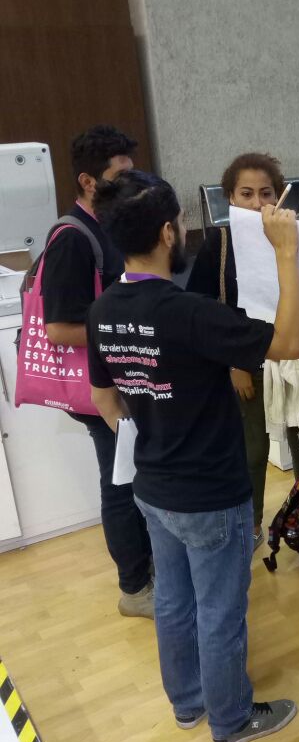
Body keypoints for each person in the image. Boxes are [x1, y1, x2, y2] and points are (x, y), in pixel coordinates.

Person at [87, 170, 299, 742]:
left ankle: (188, 705)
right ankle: (231, 720)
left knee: (172, 601)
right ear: (167, 232)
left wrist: (151, 433)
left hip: (152, 488)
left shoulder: (102, 309)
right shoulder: (188, 312)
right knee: (220, 611)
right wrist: (286, 253)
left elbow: (104, 399)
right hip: (209, 492)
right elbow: (290, 343)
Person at [41, 124, 154, 619]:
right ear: (88, 181)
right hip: (101, 387)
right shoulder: (72, 238)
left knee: (136, 480)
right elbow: (58, 329)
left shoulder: (109, 226)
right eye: (118, 176)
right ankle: (135, 588)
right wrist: (125, 329)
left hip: (123, 377)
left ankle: (148, 571)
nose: (128, 183)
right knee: (121, 485)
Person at [187, 153, 299, 549]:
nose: (258, 202)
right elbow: (200, 313)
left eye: (266, 193)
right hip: (246, 364)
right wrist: (233, 364)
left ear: (279, 196)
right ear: (230, 197)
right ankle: (252, 524)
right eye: (246, 193)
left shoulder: (293, 238)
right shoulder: (218, 244)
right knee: (252, 452)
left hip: (293, 359)